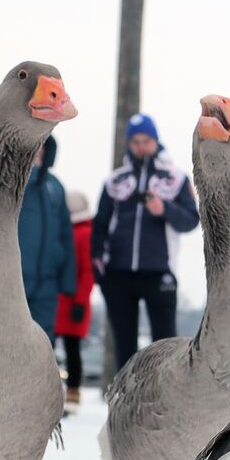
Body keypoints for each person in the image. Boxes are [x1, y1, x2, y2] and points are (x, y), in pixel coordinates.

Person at [93, 113, 200, 372]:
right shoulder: (114, 181)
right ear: (129, 144)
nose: (141, 146)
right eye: (136, 141)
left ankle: (166, 404)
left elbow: (191, 220)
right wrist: (99, 267)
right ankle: (124, 405)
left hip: (159, 272)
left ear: (156, 141)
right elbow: (100, 225)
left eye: (146, 140)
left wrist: (163, 208)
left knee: (165, 344)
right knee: (124, 346)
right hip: (119, 274)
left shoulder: (176, 179)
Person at [17, 137, 75, 337]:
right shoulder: (14, 181)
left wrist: (68, 281)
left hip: (47, 282)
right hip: (14, 279)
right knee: (9, 339)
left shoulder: (55, 186)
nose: (38, 149)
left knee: (42, 340)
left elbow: (66, 234)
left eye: (42, 144)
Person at [55, 190, 95, 411]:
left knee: (71, 349)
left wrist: (80, 301)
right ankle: (66, 394)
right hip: (62, 300)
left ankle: (72, 394)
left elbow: (88, 271)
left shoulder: (84, 234)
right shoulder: (68, 231)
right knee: (67, 349)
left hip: (71, 302)